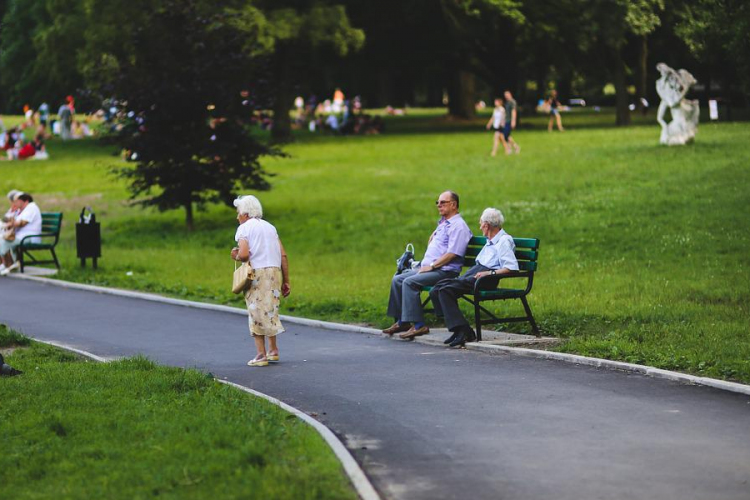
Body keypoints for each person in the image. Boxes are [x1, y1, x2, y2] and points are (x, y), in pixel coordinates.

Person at [383, 191, 473, 340]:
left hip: (445, 271)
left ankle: (419, 325)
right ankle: (403, 321)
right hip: (431, 268)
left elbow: (453, 253)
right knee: (398, 279)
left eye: (443, 202)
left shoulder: (459, 226)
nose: (439, 205)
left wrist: (431, 266)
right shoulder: (444, 224)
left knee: (409, 282)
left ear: (453, 204)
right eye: (437, 202)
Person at [429, 208, 519, 347]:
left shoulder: (503, 241)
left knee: (446, 290)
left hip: (486, 278)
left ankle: (463, 330)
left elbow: (511, 267)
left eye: (481, 223)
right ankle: (459, 329)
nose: (480, 226)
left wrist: (489, 273)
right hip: (477, 273)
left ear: (486, 225)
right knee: (437, 289)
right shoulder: (490, 240)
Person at [230, 195, 291, 367]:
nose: (237, 217)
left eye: (238, 213)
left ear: (245, 213)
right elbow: (283, 255)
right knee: (270, 310)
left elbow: (243, 254)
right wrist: (286, 280)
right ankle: (273, 351)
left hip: (256, 274)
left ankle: (260, 355)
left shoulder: (244, 229)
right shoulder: (270, 227)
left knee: (255, 312)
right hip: (274, 273)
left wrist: (235, 255)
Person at [0, 193, 42, 276]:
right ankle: (10, 263)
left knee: (4, 241)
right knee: (3, 238)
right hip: (20, 236)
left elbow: (22, 223)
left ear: (25, 201)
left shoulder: (31, 208)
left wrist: (8, 224)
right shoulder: (21, 210)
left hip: (29, 237)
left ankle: (8, 264)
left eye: (18, 201)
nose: (15, 203)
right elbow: (11, 220)